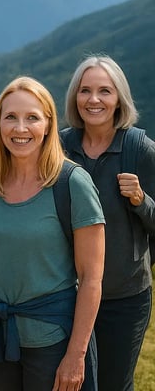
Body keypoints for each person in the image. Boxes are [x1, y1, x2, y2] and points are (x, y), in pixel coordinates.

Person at [0, 76, 106, 390]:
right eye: (10, 117)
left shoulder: (72, 184)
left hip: (50, 340)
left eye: (32, 117)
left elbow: (91, 278)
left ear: (48, 124)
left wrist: (76, 355)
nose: (20, 129)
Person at [60, 55, 155, 391]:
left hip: (123, 297)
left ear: (119, 99)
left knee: (114, 383)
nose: (94, 99)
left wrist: (142, 200)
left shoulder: (139, 149)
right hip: (66, 294)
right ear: (75, 97)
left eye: (105, 91)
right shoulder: (59, 147)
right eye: (85, 91)